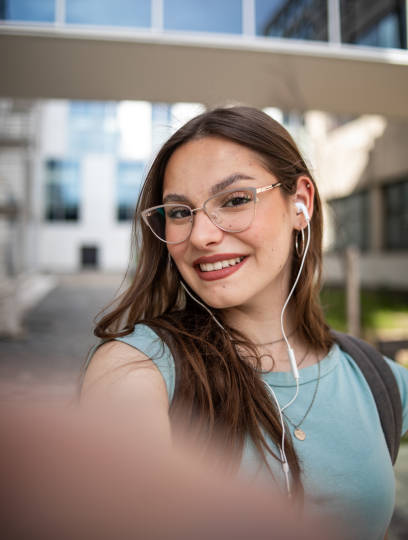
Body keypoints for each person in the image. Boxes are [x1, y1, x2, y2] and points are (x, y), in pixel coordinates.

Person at [81, 106, 408, 540]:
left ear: (301, 203)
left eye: (234, 201)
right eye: (180, 212)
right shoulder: (139, 369)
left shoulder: (379, 381)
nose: (200, 236)